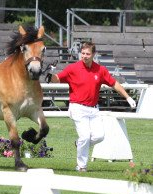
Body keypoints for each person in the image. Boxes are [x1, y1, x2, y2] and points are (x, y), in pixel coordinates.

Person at [45, 41, 136, 172]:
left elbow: (114, 84)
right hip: (77, 107)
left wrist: (128, 97)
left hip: (94, 109)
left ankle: (80, 144)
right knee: (85, 137)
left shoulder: (100, 70)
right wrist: (49, 75)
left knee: (99, 136)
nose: (85, 56)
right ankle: (81, 166)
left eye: (88, 54)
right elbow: (57, 79)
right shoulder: (73, 68)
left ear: (93, 54)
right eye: (83, 53)